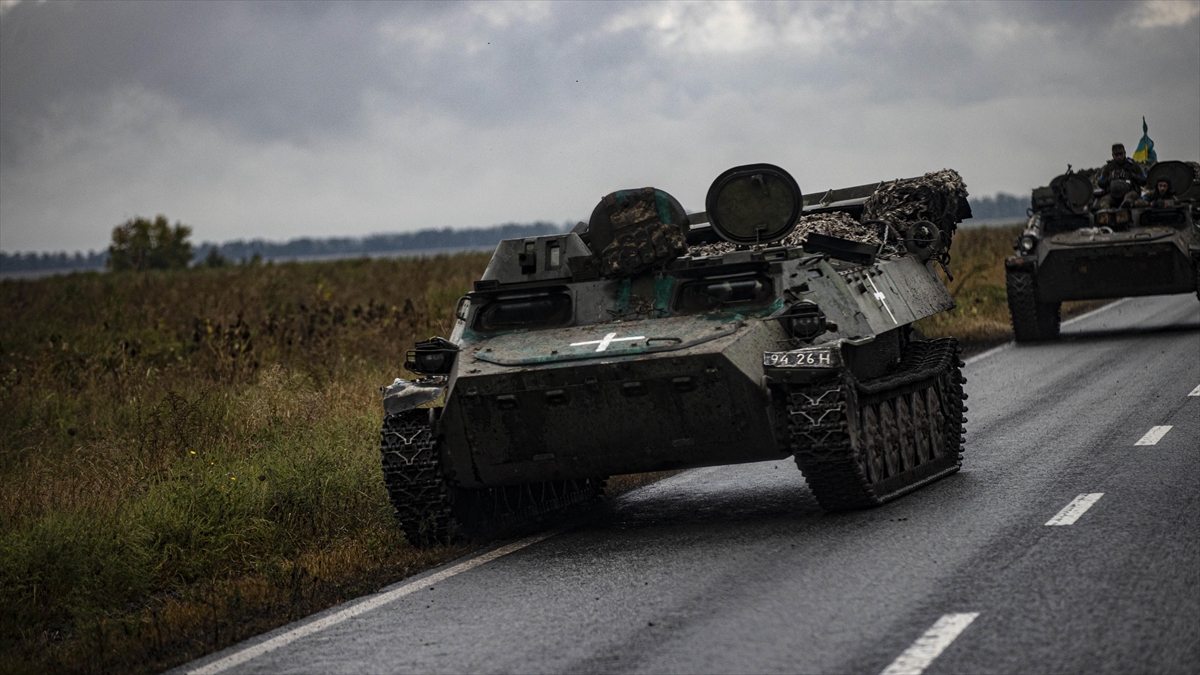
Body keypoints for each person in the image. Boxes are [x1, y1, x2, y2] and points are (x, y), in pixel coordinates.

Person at [1096, 143, 1146, 209]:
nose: (1119, 157)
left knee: (1128, 199)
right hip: (1113, 195)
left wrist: (1133, 176)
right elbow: (1100, 183)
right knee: (1104, 202)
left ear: (1124, 153)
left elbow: (1144, 180)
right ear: (1113, 155)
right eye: (1116, 155)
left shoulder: (1133, 166)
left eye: (1121, 154)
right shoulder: (1108, 167)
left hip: (1130, 192)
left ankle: (1123, 209)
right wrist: (1108, 179)